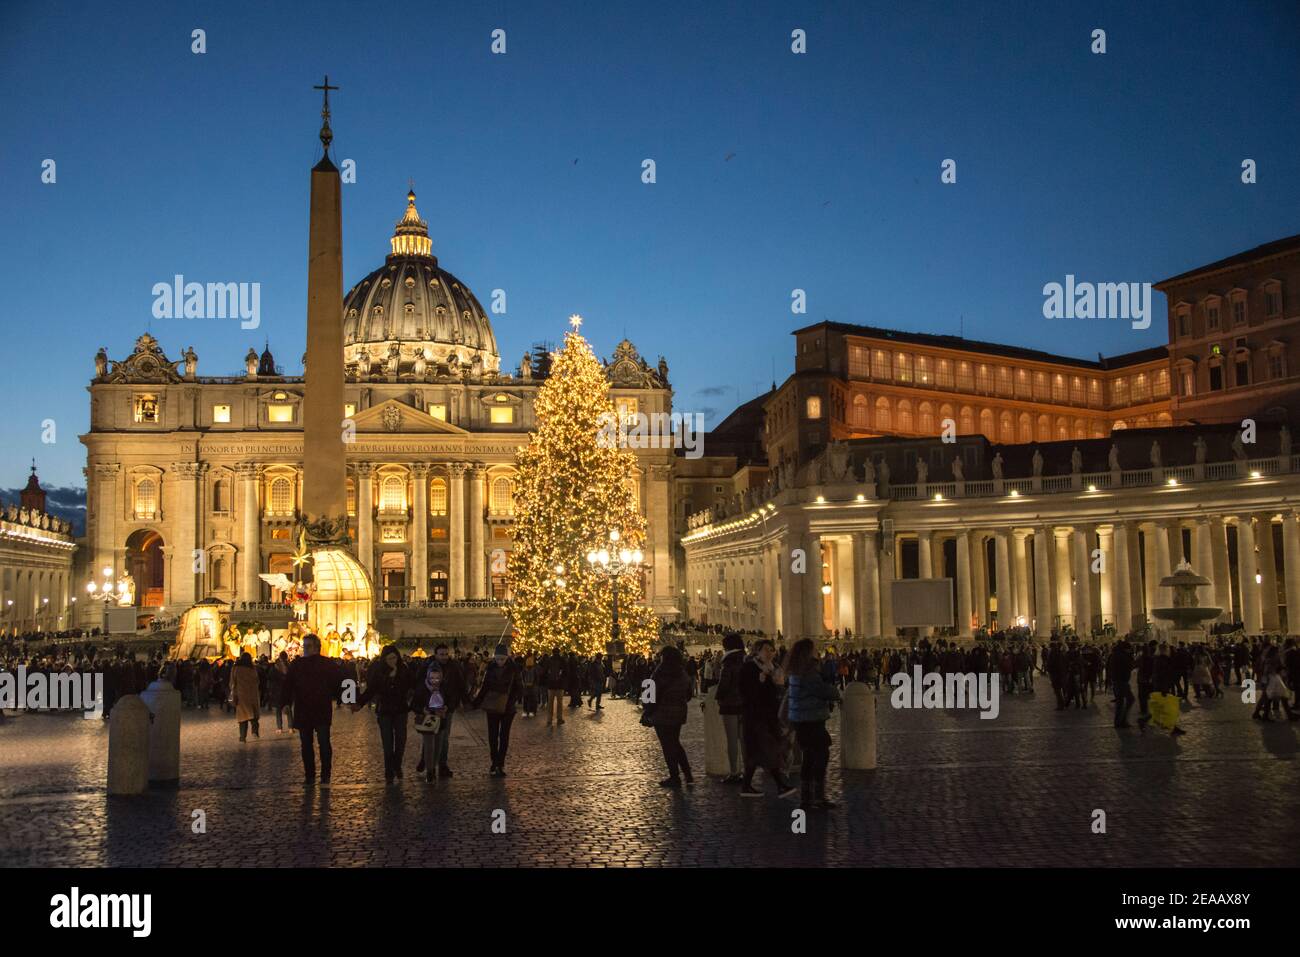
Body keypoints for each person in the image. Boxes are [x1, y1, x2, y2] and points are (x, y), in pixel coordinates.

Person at [784, 638, 840, 808]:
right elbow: (823, 690)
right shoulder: (808, 671)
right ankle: (817, 797)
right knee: (820, 757)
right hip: (811, 719)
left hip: (802, 719)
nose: (817, 651)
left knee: (808, 758)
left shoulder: (796, 669)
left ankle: (807, 798)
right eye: (814, 649)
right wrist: (835, 692)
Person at [738, 639, 798, 799]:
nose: (770, 652)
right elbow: (746, 691)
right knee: (769, 749)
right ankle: (780, 786)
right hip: (756, 717)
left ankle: (746, 786)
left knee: (757, 754)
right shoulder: (749, 668)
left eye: (772, 649)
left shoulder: (775, 669)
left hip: (771, 715)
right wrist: (760, 681)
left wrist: (778, 685)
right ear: (756, 651)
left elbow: (777, 692)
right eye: (766, 649)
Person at [281, 634, 344, 786]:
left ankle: (325, 775)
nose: (305, 649)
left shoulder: (327, 664)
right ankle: (309, 776)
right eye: (304, 646)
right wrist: (285, 703)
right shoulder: (297, 664)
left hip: (321, 708)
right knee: (306, 745)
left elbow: (341, 682)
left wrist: (351, 700)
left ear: (316, 647)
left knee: (324, 743)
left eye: (308, 646)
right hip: (303, 709)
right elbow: (288, 685)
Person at [352, 643, 415, 784]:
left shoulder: (404, 670)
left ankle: (397, 764)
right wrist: (359, 703)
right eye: (389, 659)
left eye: (394, 658)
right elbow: (371, 690)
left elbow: (411, 685)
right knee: (387, 743)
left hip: (400, 710)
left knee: (401, 741)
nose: (392, 661)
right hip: (385, 710)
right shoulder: (379, 672)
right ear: (384, 660)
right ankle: (388, 771)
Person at [645, 645, 693, 788]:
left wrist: (647, 712)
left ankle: (675, 776)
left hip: (662, 714)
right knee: (675, 743)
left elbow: (651, 694)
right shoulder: (682, 673)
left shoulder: (659, 673)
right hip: (678, 714)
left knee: (668, 746)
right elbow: (689, 695)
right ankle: (688, 774)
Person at [472, 644, 524, 777]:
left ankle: (500, 764)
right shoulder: (490, 668)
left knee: (504, 736)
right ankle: (494, 762)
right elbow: (484, 687)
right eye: (498, 659)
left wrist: (510, 701)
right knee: (492, 736)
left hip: (508, 708)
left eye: (502, 659)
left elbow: (519, 688)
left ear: (507, 657)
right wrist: (475, 702)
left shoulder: (514, 669)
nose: (500, 661)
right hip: (492, 706)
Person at [713, 633, 746, 783]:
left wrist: (719, 697)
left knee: (732, 740)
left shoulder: (729, 661)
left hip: (730, 704)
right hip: (745, 703)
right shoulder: (746, 659)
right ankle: (747, 770)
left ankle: (734, 772)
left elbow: (724, 683)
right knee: (744, 740)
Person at [230, 651, 261, 742]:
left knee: (242, 717)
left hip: (240, 695)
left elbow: (232, 682)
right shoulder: (252, 669)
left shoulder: (235, 668)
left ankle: (242, 736)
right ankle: (255, 731)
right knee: (253, 715)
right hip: (252, 694)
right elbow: (257, 681)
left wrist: (233, 690)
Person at [1109, 638, 1135, 728]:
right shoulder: (1123, 656)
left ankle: (1120, 721)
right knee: (1128, 700)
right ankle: (1121, 721)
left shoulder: (1114, 655)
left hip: (1118, 680)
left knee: (1121, 702)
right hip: (1121, 681)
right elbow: (1129, 666)